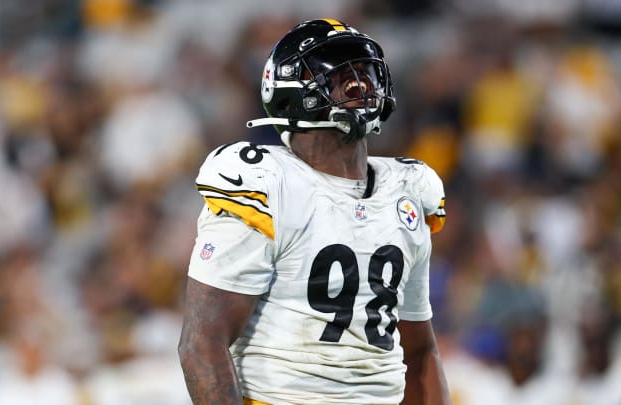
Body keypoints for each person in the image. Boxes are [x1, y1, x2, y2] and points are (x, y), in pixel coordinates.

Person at [178, 18, 450, 404]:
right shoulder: (267, 183)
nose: (360, 79)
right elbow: (201, 344)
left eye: (365, 68)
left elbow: (420, 352)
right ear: (289, 87)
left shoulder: (407, 191)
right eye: (338, 68)